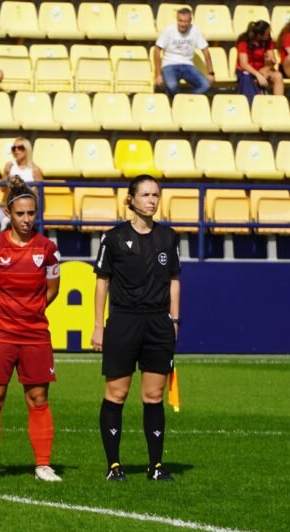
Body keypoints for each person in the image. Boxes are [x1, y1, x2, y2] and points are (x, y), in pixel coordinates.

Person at [91, 175, 181, 483]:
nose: (152, 200)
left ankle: (155, 465)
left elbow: (174, 280)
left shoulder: (168, 238)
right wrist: (98, 326)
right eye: (145, 195)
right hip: (124, 321)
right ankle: (114, 464)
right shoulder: (114, 238)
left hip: (158, 322)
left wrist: (174, 319)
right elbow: (102, 282)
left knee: (154, 395)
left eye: (156, 194)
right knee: (117, 393)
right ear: (131, 199)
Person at [0, 177, 62, 483]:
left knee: (38, 398)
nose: (26, 219)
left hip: (35, 333)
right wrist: (1, 313)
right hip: (1, 332)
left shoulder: (47, 248)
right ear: (8, 213)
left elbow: (52, 290)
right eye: (20, 214)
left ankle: (43, 465)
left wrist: (30, 312)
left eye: (31, 214)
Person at [153, 7, 214, 96]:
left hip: (188, 65)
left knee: (206, 85)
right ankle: (180, 99)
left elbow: (205, 50)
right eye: (180, 21)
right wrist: (158, 74)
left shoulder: (195, 30)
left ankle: (183, 98)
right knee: (172, 86)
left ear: (190, 21)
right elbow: (157, 50)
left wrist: (211, 73)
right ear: (177, 20)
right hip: (170, 65)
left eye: (185, 21)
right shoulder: (169, 30)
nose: (182, 24)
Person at [235, 20, 283, 103]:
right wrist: (258, 75)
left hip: (262, 69)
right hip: (247, 70)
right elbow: (244, 64)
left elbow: (271, 56)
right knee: (247, 77)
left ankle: (278, 103)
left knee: (278, 75)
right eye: (267, 33)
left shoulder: (268, 41)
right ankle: (252, 103)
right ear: (259, 35)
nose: (269, 35)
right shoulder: (243, 41)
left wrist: (271, 61)